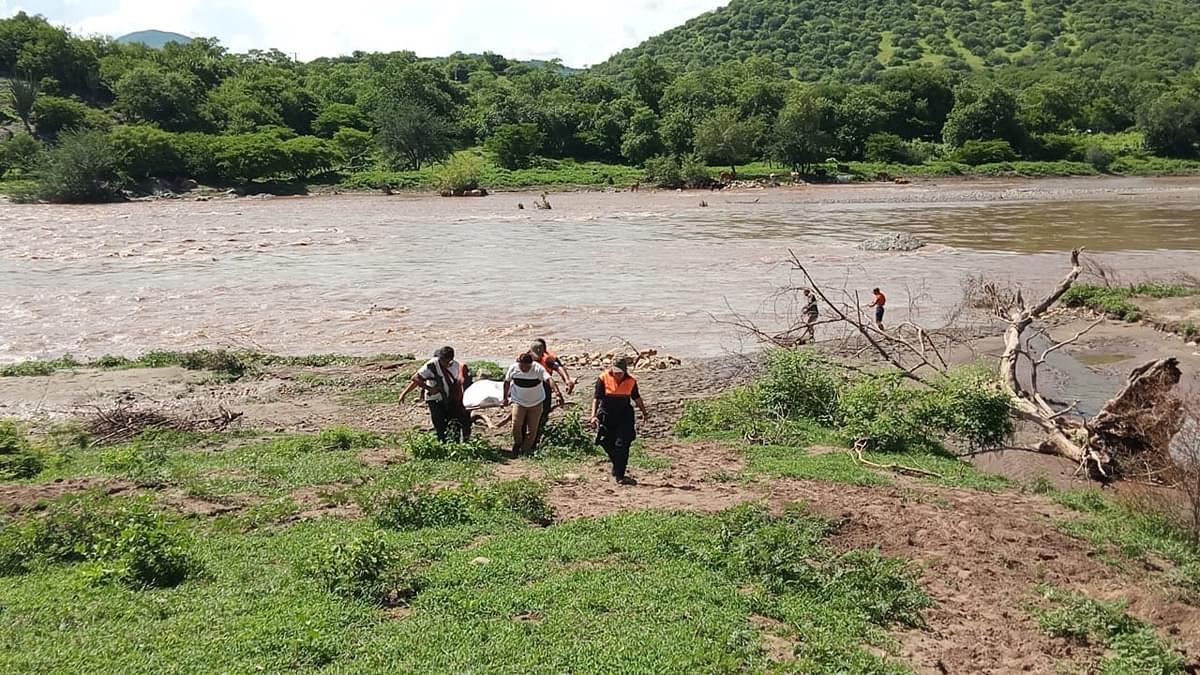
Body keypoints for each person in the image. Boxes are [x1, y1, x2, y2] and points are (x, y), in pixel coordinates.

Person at [590, 357, 648, 486]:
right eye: (616, 371)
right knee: (605, 442)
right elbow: (596, 398)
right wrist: (593, 415)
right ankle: (617, 466)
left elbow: (636, 398)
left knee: (623, 444)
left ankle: (620, 475)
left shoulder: (631, 381)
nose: (618, 374)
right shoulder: (603, 378)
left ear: (625, 371)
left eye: (620, 372)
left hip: (624, 415)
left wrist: (644, 412)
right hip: (607, 414)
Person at [401, 346, 473, 442]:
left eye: (444, 360)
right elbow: (416, 378)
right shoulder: (432, 364)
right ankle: (442, 445)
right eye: (441, 359)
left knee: (454, 424)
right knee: (439, 425)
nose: (442, 362)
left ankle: (455, 445)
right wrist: (429, 389)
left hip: (451, 400)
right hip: (434, 399)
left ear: (450, 360)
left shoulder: (457, 367)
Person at [502, 352, 560, 455]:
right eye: (522, 366)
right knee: (516, 424)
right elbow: (506, 382)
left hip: (536, 403)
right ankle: (518, 443)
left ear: (531, 364)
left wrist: (557, 393)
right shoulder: (513, 368)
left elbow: (549, 379)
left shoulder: (538, 369)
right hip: (519, 402)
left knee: (533, 429)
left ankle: (526, 449)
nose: (524, 369)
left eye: (526, 366)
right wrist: (505, 398)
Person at [529, 338, 573, 444]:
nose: (538, 356)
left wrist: (567, 380)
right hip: (528, 386)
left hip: (545, 386)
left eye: (541, 352)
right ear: (531, 350)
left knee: (543, 413)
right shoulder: (526, 357)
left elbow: (559, 368)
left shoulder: (548, 358)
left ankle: (536, 438)